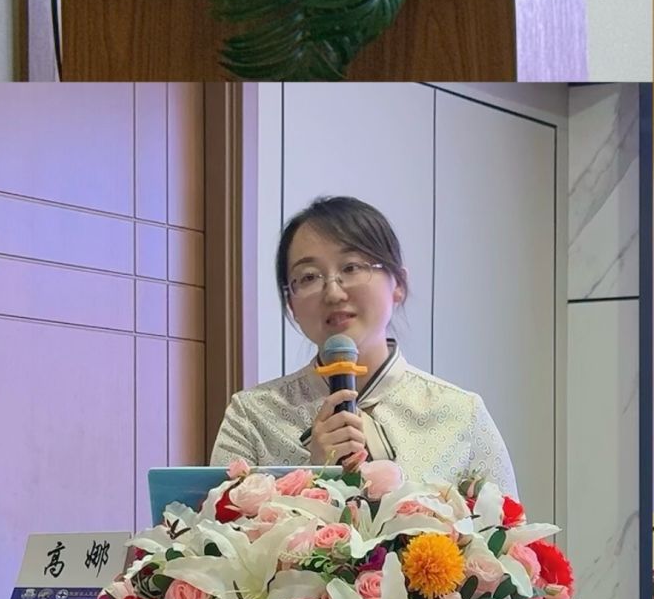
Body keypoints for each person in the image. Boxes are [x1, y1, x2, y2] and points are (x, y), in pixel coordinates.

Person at [209, 194, 518, 493]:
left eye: (351, 267)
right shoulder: (252, 417)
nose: (333, 293)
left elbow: (509, 528)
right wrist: (312, 477)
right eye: (309, 277)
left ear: (398, 284)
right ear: (291, 303)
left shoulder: (461, 414)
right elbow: (212, 527)